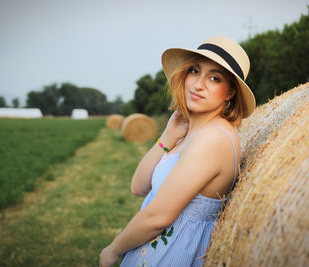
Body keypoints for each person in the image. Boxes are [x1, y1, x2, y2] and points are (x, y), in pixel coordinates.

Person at [99, 36, 255, 267]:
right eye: (194, 70)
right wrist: (168, 137)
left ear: (230, 92)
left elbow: (158, 217)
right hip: (155, 251)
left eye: (214, 78)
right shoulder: (191, 133)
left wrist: (114, 249)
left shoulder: (213, 138)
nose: (198, 84)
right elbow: (139, 187)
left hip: (172, 255)